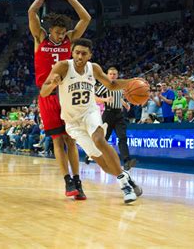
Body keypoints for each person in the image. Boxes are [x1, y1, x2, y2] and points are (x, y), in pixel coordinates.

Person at [40, 38, 143, 204]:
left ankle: (125, 186)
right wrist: (52, 84)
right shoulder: (63, 66)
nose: (80, 56)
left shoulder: (93, 68)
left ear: (90, 55)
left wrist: (131, 83)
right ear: (72, 53)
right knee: (103, 165)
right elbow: (44, 92)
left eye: (84, 53)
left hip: (90, 113)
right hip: (72, 123)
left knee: (99, 139)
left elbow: (112, 84)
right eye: (77, 52)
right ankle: (126, 176)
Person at [28, 0, 91, 200]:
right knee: (57, 139)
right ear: (50, 30)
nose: (61, 34)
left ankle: (78, 180)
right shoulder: (40, 38)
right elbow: (32, 12)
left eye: (63, 32)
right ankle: (67, 181)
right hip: (47, 95)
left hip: (66, 94)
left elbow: (86, 19)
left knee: (70, 140)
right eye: (58, 31)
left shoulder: (70, 41)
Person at [95, 67, 136, 170]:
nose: (112, 76)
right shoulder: (104, 85)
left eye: (114, 74)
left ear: (117, 75)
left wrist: (124, 103)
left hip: (119, 114)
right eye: (110, 74)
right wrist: (104, 99)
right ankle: (92, 155)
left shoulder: (119, 86)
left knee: (122, 137)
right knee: (103, 139)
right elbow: (94, 97)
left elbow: (118, 97)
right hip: (108, 114)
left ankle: (127, 161)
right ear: (107, 75)